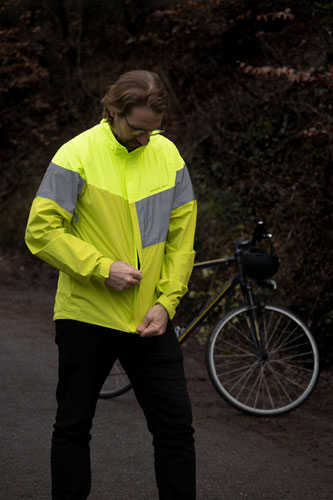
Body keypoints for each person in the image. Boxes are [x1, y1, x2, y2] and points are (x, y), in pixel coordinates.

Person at [25, 70, 197, 500]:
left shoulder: (169, 155)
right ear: (113, 111)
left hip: (150, 320)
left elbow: (181, 240)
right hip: (86, 314)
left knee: (176, 429)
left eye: (153, 131)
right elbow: (41, 231)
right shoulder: (75, 154)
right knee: (73, 426)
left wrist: (168, 302)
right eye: (138, 130)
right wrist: (102, 268)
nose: (145, 140)